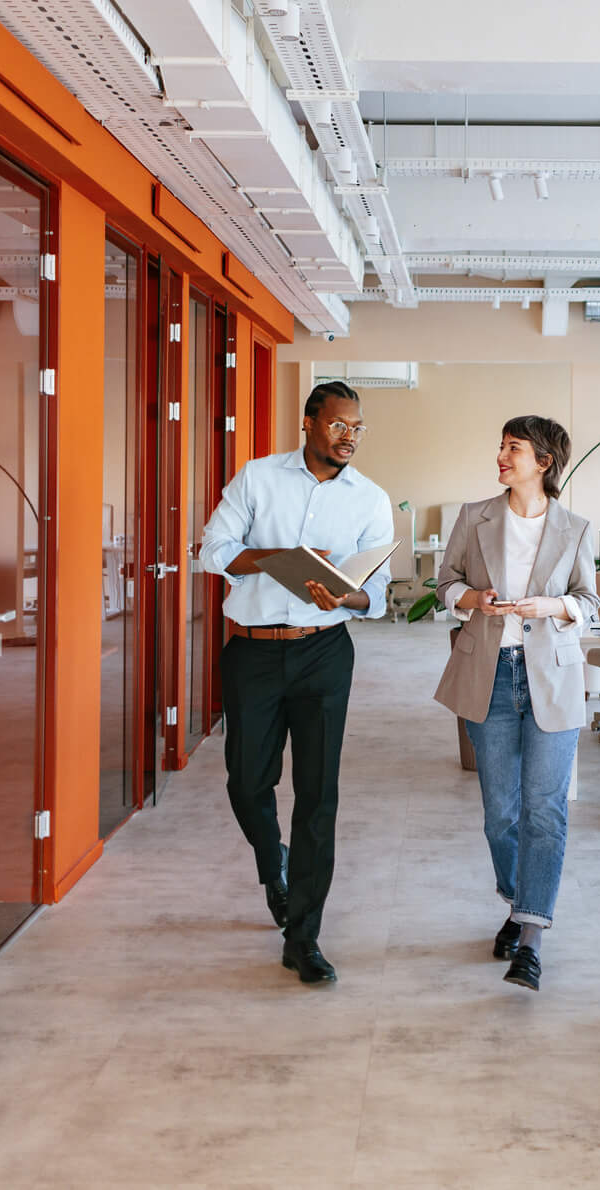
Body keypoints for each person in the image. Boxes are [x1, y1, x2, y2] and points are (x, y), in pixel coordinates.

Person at [198, 381, 395, 985]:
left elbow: (377, 597)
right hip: (252, 653)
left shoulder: (370, 499)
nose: (349, 437)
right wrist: (281, 556)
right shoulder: (257, 479)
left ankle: (303, 936)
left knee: (318, 795)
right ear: (309, 422)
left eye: (357, 428)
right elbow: (213, 551)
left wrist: (349, 592)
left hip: (325, 654)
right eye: (339, 425)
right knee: (247, 782)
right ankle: (272, 864)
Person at [434, 416, 600, 993]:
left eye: (514, 448)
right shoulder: (474, 516)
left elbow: (587, 599)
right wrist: (473, 598)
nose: (502, 456)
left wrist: (550, 607)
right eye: (502, 446)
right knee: (501, 814)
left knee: (545, 810)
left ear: (543, 462)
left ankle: (529, 938)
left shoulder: (575, 528)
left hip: (551, 679)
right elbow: (444, 584)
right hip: (491, 676)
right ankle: (517, 901)